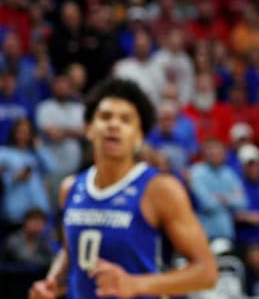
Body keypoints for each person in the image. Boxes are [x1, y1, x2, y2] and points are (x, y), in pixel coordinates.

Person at [28, 77, 218, 299]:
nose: (113, 125)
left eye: (126, 120)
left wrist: (136, 285)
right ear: (89, 129)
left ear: (139, 137)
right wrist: (52, 283)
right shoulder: (70, 188)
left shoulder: (159, 189)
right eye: (105, 116)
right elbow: (70, 254)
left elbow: (206, 272)